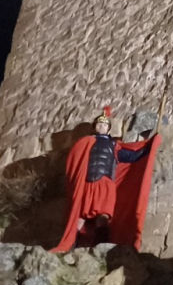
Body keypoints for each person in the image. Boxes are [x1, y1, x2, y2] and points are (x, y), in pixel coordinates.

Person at [50, 107, 161, 252]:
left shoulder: (114, 146)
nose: (101, 127)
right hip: (88, 183)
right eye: (99, 125)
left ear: (108, 129)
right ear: (95, 127)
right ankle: (72, 245)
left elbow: (133, 156)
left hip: (106, 185)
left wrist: (151, 145)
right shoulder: (85, 143)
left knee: (102, 217)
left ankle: (99, 248)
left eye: (104, 125)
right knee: (80, 216)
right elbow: (75, 160)